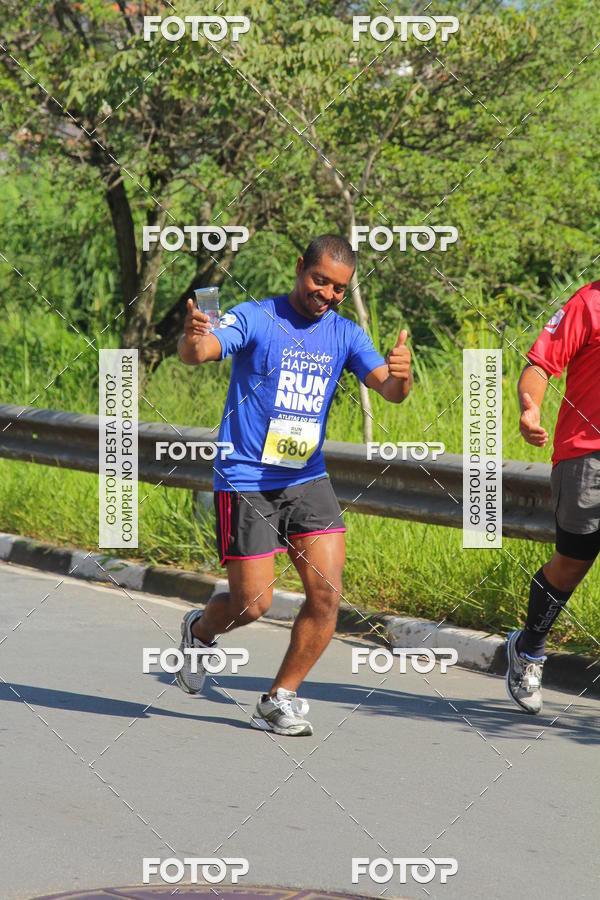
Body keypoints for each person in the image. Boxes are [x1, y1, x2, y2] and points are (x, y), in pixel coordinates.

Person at [176, 234, 412, 735]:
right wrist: (195, 336)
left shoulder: (345, 335)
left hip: (307, 477)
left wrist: (402, 376)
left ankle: (279, 697)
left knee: (326, 595)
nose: (325, 294)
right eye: (319, 280)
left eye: (338, 289)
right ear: (300, 267)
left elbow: (389, 391)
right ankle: (199, 633)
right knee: (253, 604)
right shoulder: (256, 317)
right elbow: (200, 352)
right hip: (246, 478)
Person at [507, 281, 600, 713]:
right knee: (571, 565)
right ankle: (528, 651)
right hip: (586, 455)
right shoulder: (589, 302)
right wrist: (530, 409)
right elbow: (540, 366)